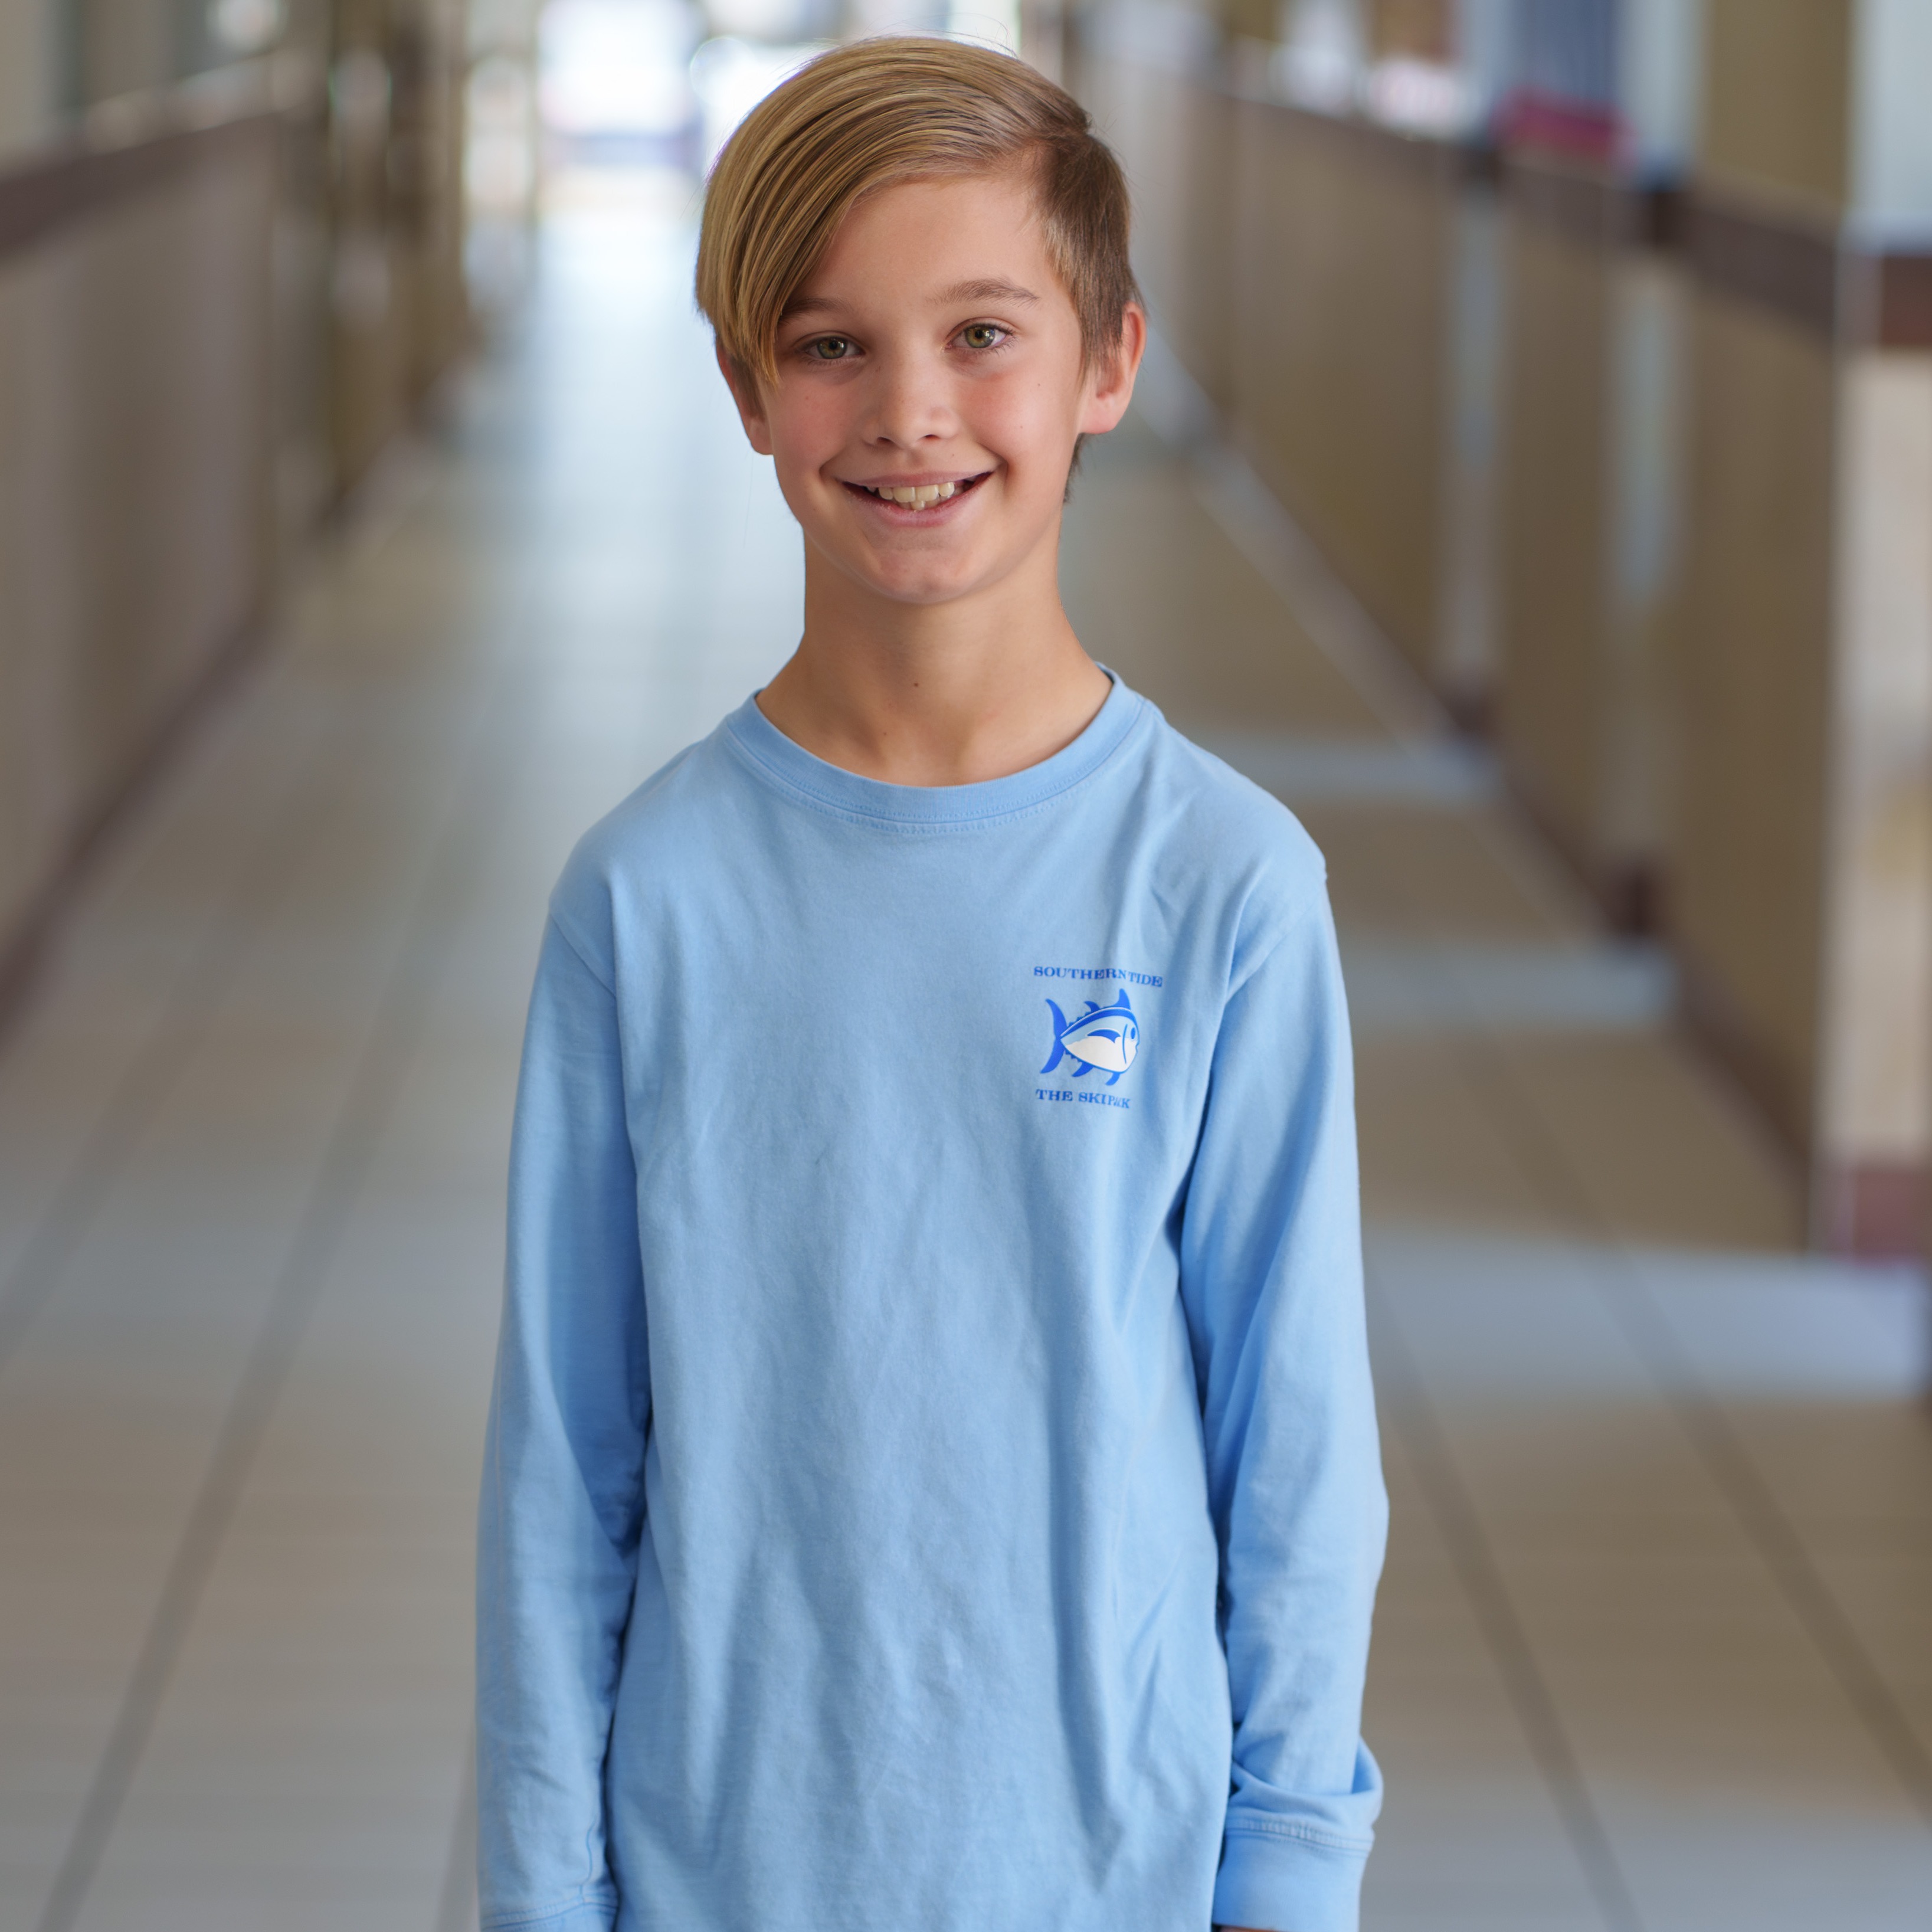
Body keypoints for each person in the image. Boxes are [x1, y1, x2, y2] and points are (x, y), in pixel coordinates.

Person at [476, 36, 1385, 1932]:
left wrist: (1285, 1870)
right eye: (830, 345)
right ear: (745, 387)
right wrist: (542, 1888)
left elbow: (1293, 1456)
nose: (909, 412)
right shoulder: (646, 903)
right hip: (719, 1869)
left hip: (1109, 1872)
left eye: (985, 333)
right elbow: (569, 1473)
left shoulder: (1220, 887)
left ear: (1108, 362)